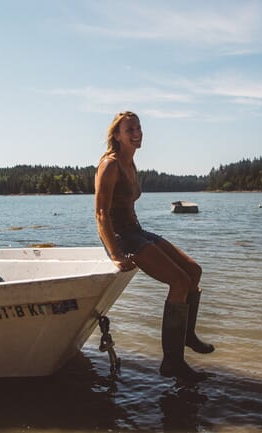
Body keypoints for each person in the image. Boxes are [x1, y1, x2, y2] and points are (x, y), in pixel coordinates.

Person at [95, 111, 214, 382]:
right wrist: (115, 254)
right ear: (117, 135)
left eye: (138, 128)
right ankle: (172, 363)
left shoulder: (131, 164)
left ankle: (188, 336)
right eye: (130, 129)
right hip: (121, 238)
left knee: (193, 271)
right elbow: (101, 213)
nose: (137, 133)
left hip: (135, 231)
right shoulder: (110, 165)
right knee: (179, 282)